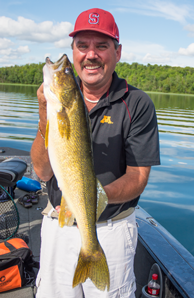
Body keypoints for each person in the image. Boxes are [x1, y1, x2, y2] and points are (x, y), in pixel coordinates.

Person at [31, 8, 160, 298]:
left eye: (101, 46)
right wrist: (44, 112)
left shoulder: (137, 104)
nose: (91, 55)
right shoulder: (55, 104)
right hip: (58, 226)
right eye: (82, 46)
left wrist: (93, 197)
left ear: (118, 52)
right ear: (74, 51)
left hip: (111, 232)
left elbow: (138, 177)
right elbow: (42, 171)